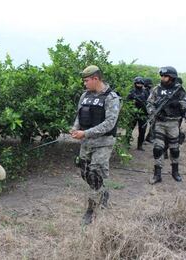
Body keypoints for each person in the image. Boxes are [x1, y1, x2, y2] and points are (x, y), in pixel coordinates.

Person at [70, 65, 121, 225]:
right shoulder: (85, 95)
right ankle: (103, 192)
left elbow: (110, 123)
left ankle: (91, 210)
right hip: (86, 142)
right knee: (84, 173)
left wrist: (86, 133)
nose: (84, 84)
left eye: (86, 80)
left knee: (95, 174)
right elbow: (80, 114)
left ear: (96, 79)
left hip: (103, 143)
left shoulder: (111, 98)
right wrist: (75, 128)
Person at [146, 66, 186, 184]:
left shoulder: (179, 90)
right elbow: (149, 104)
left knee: (174, 149)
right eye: (162, 76)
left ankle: (175, 172)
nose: (162, 78)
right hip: (160, 122)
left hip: (173, 123)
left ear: (171, 77)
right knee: (157, 149)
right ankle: (157, 174)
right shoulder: (157, 89)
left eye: (165, 76)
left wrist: (177, 104)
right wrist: (154, 113)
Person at [125, 76, 149, 151]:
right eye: (137, 83)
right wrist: (133, 103)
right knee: (129, 129)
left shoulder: (145, 92)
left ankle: (140, 145)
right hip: (133, 113)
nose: (139, 84)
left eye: (140, 83)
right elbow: (127, 102)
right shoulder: (131, 92)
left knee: (142, 130)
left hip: (143, 114)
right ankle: (126, 144)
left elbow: (149, 102)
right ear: (135, 83)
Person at [143, 78, 155, 144]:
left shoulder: (151, 91)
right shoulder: (143, 91)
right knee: (143, 127)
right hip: (144, 111)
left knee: (152, 125)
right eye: (149, 84)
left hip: (149, 111)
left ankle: (148, 138)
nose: (150, 85)